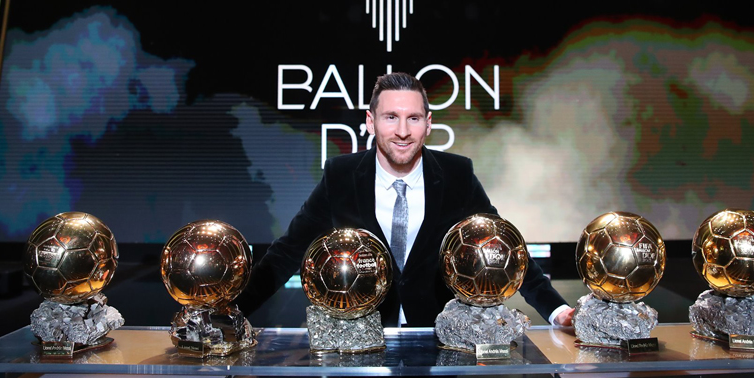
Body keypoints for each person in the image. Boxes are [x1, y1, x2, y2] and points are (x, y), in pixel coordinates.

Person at [238, 72, 573, 328]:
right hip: (360, 344)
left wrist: (557, 311)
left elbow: (504, 248)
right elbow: (285, 254)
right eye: (390, 117)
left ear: (428, 124)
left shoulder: (456, 174)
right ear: (371, 122)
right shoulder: (341, 176)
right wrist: (233, 312)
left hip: (437, 346)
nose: (402, 131)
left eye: (413, 118)